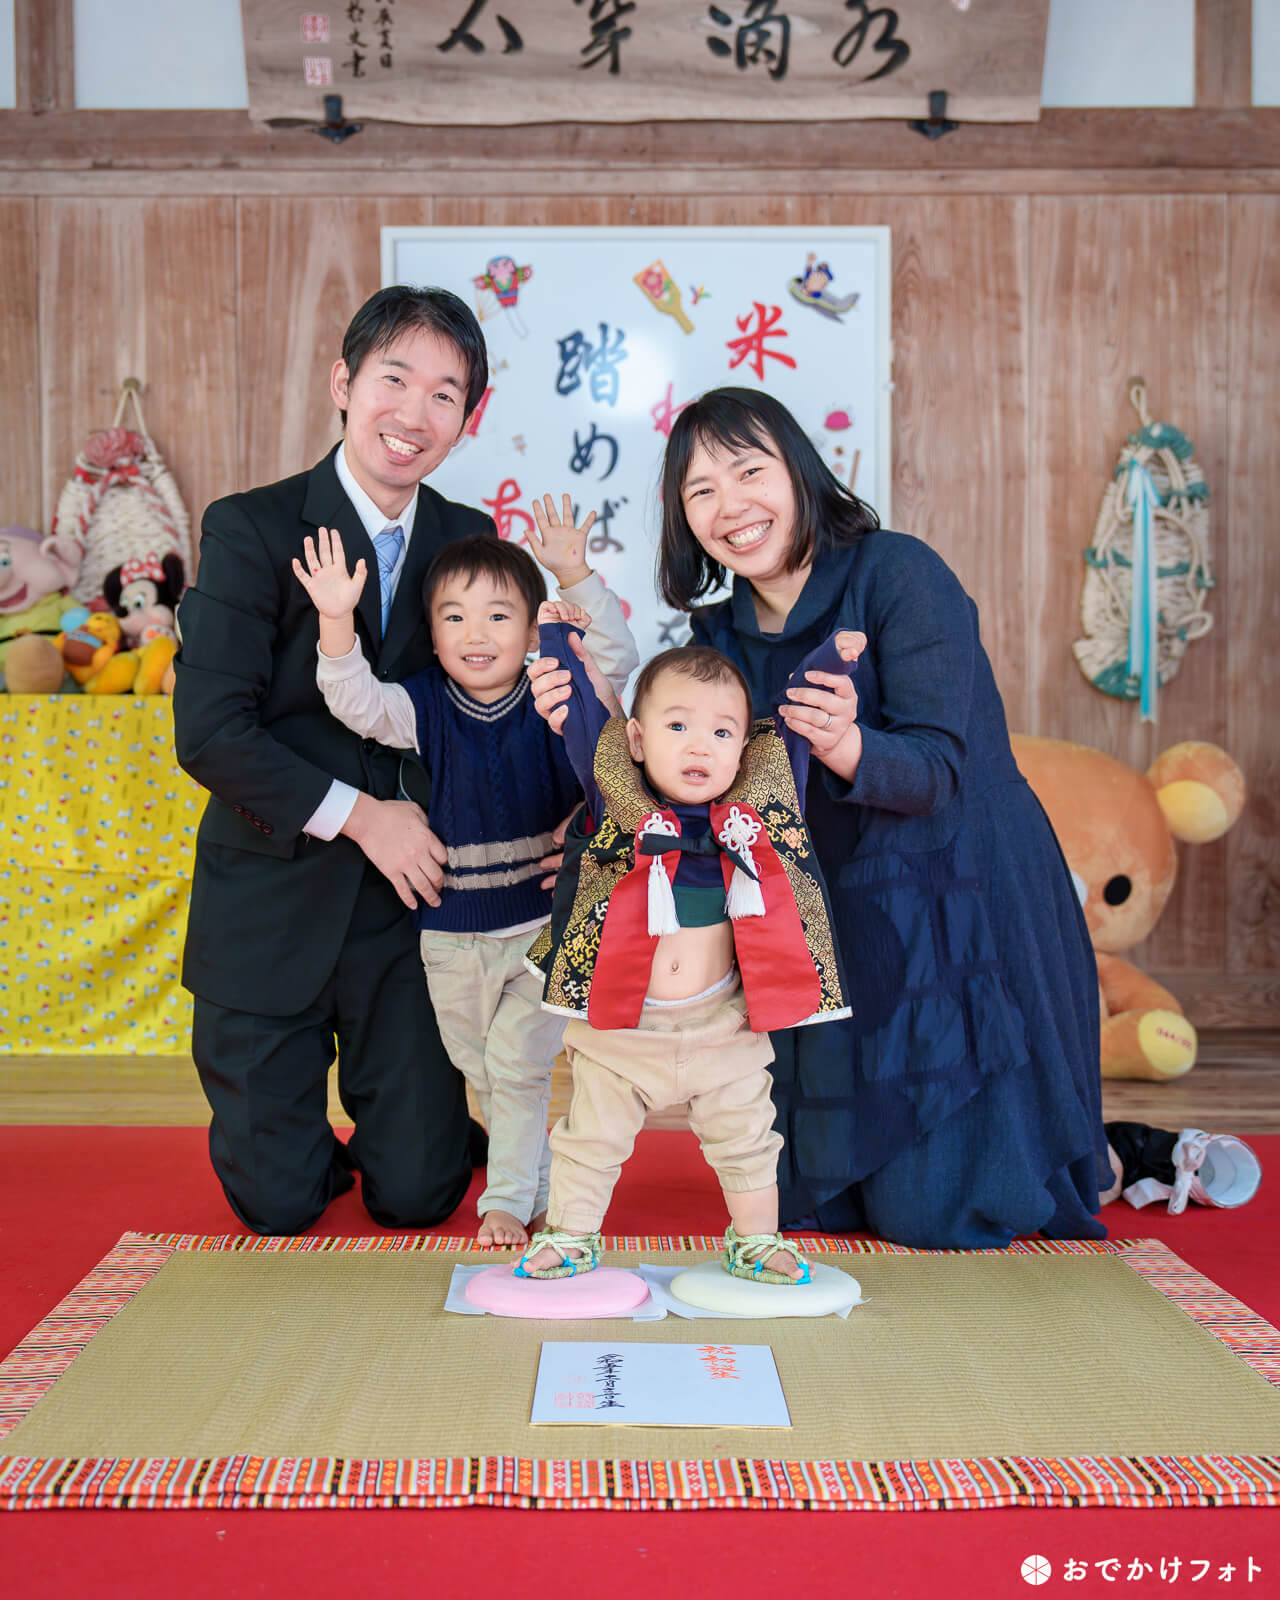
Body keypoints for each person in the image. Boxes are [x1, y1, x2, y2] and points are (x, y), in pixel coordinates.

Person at [173, 284, 501, 1236]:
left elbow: (485, 716)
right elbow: (211, 734)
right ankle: (300, 1140)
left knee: (418, 1196)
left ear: (465, 420)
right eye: (395, 378)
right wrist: (365, 815)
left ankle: (428, 1131)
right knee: (275, 1205)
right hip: (270, 897)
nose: (415, 413)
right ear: (344, 384)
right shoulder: (253, 527)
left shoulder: (467, 537)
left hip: (404, 911)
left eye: (445, 394)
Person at [291, 509, 639, 1247]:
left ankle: (505, 1204)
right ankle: (543, 1180)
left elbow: (615, 657)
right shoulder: (422, 703)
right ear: (433, 630)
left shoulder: (554, 686)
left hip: (545, 929)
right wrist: (334, 622)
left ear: (530, 625)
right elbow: (354, 700)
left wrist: (574, 575)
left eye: (497, 615)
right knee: (484, 1071)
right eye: (454, 617)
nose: (476, 634)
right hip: (450, 937)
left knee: (515, 1062)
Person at [516, 628, 860, 1283]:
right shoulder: (618, 794)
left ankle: (757, 1240)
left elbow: (789, 729)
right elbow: (586, 719)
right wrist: (559, 639)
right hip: (623, 1027)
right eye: (678, 725)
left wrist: (830, 659)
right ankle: (570, 1234)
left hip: (721, 1025)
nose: (701, 743)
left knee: (749, 1139)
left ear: (742, 753)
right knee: (591, 1137)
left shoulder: (752, 815)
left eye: (723, 733)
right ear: (639, 741)